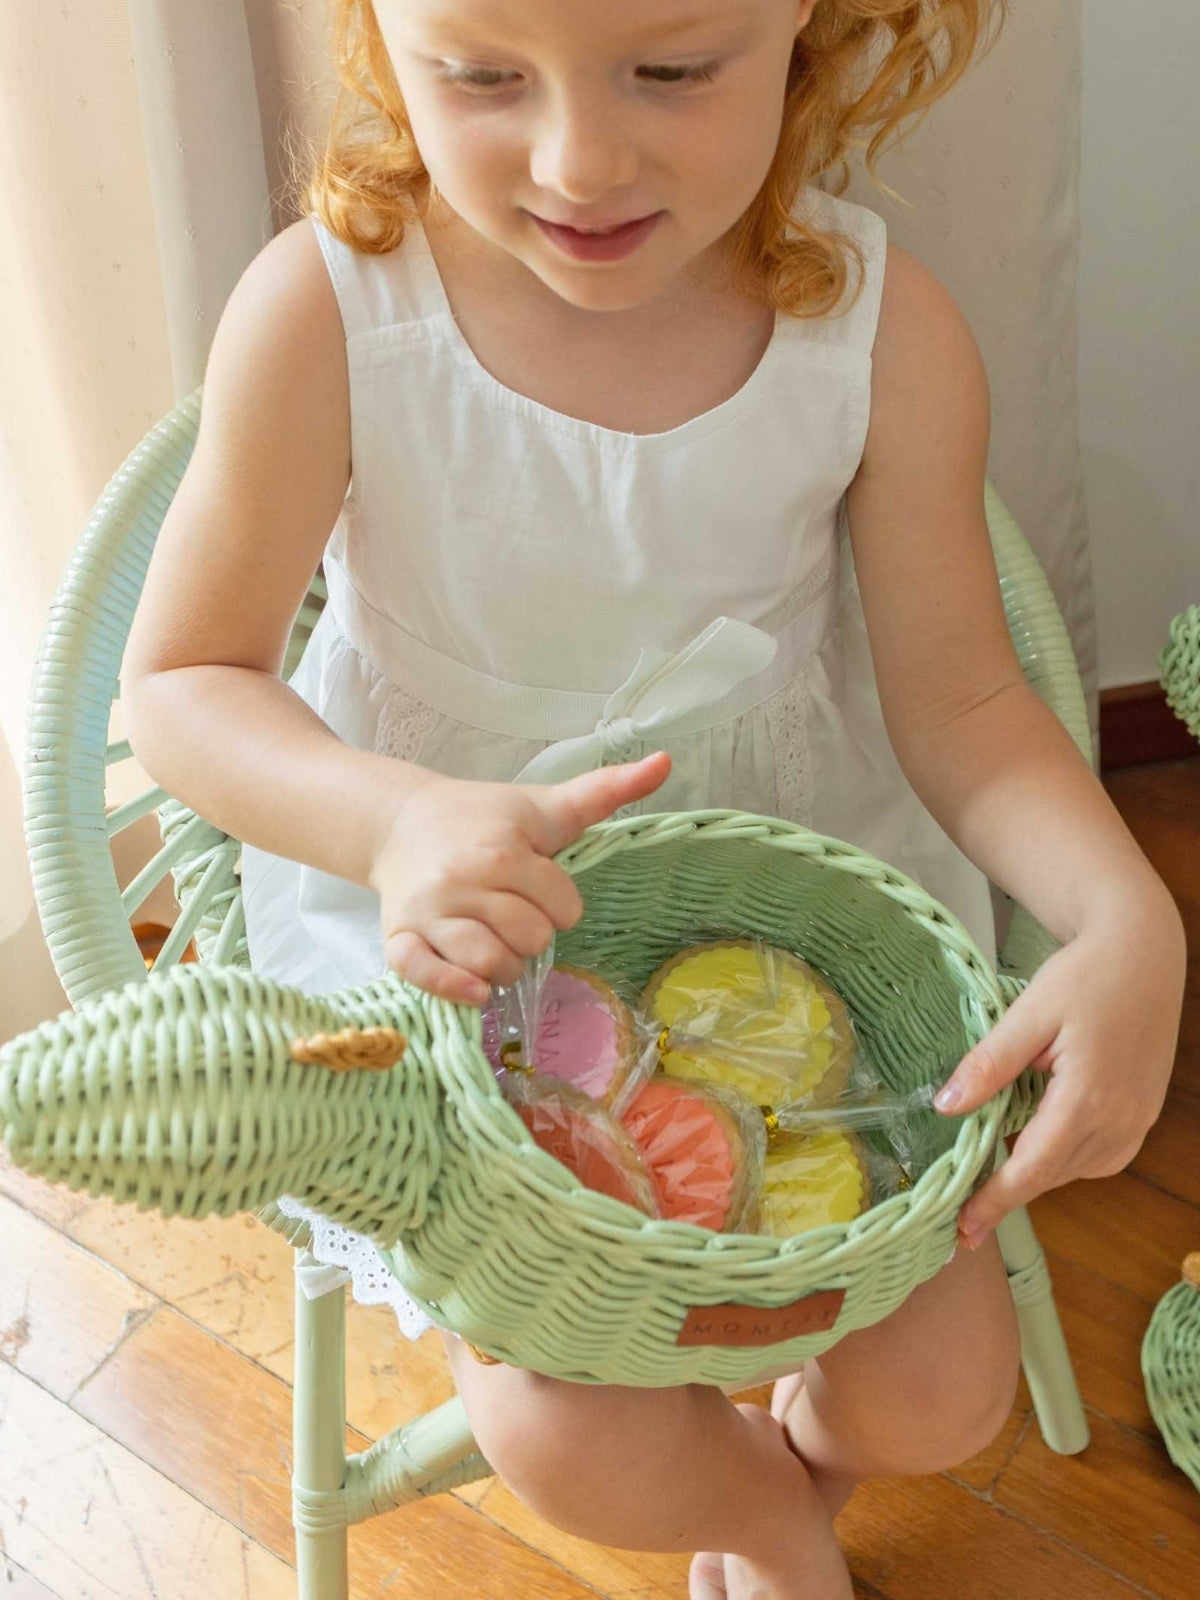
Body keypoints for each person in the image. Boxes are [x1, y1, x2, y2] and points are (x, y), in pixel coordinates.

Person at [121, 2, 1186, 1595]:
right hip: (441, 922)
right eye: (482, 76)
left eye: (674, 69)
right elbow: (186, 681)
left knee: (941, 1392)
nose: (577, 160)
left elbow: (965, 703)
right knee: (573, 1433)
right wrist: (394, 819)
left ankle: (797, 1478)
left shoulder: (880, 332)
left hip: (796, 906)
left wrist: (1124, 911)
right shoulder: (332, 314)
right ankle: (759, 1523)